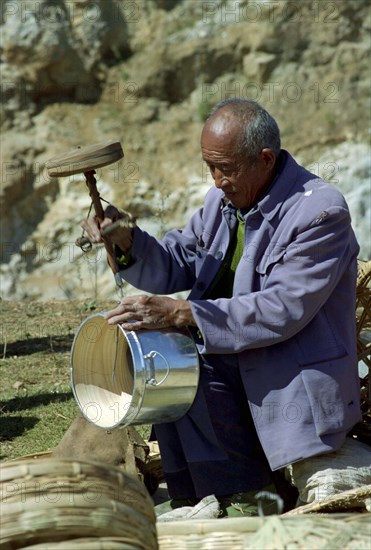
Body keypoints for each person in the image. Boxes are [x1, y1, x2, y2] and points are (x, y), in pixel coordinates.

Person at [81, 98, 362, 516]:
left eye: (224, 168)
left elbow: (282, 309)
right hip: (234, 358)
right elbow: (177, 264)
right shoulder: (224, 204)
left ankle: (244, 499)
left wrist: (182, 315)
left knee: (193, 366)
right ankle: (194, 495)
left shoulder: (319, 211)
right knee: (161, 362)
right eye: (209, 166)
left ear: (264, 159)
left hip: (286, 374)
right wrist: (125, 239)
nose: (215, 181)